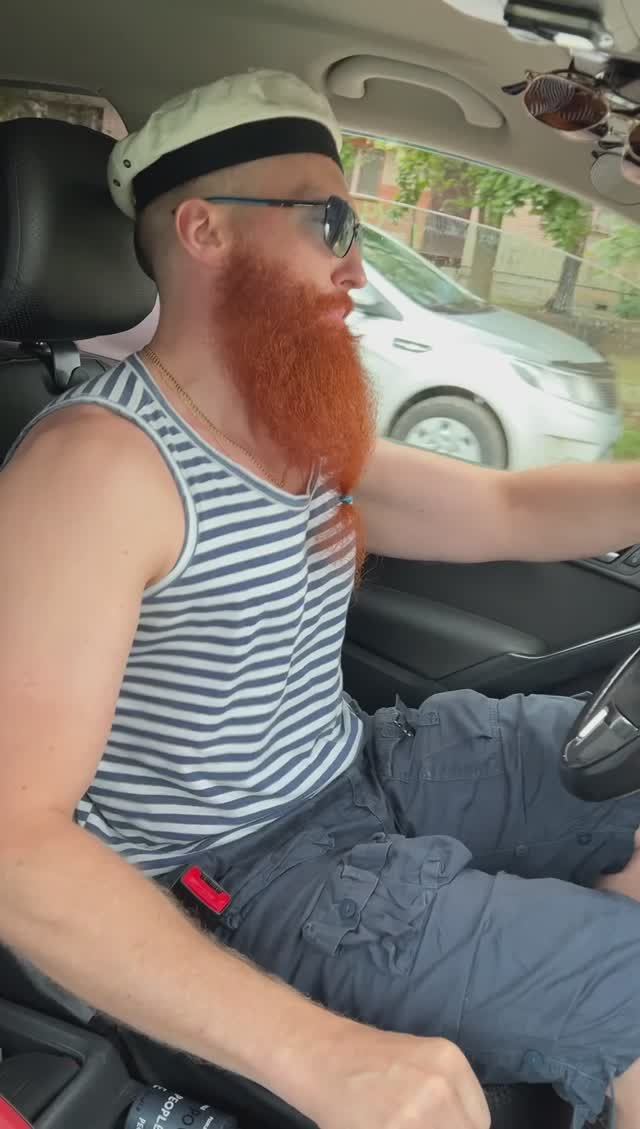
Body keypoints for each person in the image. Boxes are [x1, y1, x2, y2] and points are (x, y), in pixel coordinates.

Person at [1, 68, 640, 1129]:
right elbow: (16, 843)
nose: (358, 263)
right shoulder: (97, 471)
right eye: (329, 221)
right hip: (250, 874)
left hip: (366, 767)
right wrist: (319, 1056)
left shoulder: (291, 426)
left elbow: (507, 510)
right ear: (205, 230)